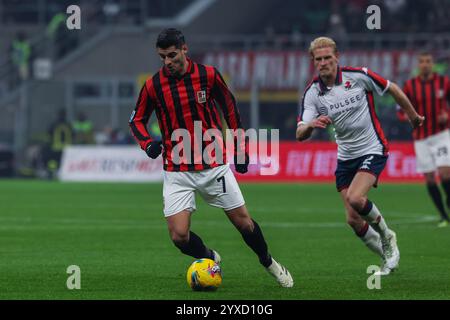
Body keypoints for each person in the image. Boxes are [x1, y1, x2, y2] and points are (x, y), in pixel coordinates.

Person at [129, 28, 293, 287]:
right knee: (179, 237)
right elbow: (136, 120)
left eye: (171, 55)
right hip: (177, 170)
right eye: (162, 57)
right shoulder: (153, 85)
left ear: (184, 49)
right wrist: (147, 143)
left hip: (213, 166)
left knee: (245, 225)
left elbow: (231, 111)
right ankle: (210, 258)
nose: (167, 62)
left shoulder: (209, 76)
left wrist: (240, 149)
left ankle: (269, 262)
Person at [296, 37, 424, 276]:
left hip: (372, 148)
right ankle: (387, 256)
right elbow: (300, 132)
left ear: (337, 58)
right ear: (313, 62)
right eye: (319, 59)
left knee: (356, 198)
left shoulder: (358, 76)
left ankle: (387, 235)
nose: (324, 63)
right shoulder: (313, 93)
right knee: (353, 220)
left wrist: (413, 116)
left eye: (328, 58)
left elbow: (392, 88)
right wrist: (311, 125)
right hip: (346, 156)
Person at [397, 52, 450, 227]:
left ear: (432, 64)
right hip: (421, 138)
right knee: (429, 178)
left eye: (428, 61)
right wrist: (410, 118)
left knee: (444, 173)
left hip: (441, 135)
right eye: (422, 62)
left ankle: (449, 201)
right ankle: (443, 216)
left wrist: (447, 115)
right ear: (418, 65)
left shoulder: (444, 82)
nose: (425, 64)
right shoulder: (410, 86)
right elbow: (400, 111)